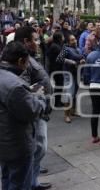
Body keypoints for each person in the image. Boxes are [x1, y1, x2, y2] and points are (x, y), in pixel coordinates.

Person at [0, 41, 46, 190]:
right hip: (17, 144)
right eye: (26, 63)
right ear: (20, 61)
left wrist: (28, 94)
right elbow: (32, 111)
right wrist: (38, 97)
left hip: (4, 141)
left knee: (7, 178)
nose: (26, 67)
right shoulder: (15, 85)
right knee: (19, 184)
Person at [15, 26, 52, 190]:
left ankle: (33, 182)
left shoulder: (29, 57)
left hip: (40, 110)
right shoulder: (21, 60)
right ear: (26, 42)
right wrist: (40, 99)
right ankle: (29, 183)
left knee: (39, 148)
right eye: (35, 39)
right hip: (35, 111)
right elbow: (23, 88)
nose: (38, 42)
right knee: (38, 148)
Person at [57, 34, 85, 123]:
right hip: (68, 73)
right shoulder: (66, 49)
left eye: (75, 39)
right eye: (72, 40)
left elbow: (82, 58)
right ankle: (66, 115)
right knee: (69, 94)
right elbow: (59, 59)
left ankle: (73, 111)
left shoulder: (78, 49)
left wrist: (82, 61)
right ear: (68, 42)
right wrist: (72, 62)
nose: (75, 41)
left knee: (74, 93)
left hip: (77, 73)